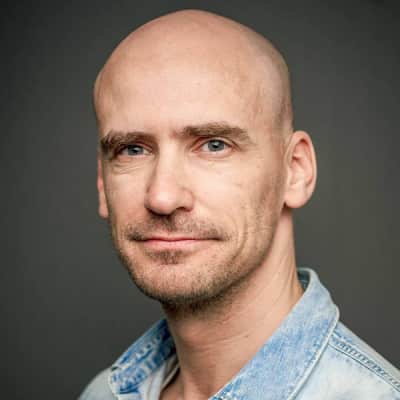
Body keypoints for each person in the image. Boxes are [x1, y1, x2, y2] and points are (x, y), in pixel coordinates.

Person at [79, 9, 400, 400]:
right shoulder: (102, 394)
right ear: (102, 184)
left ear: (295, 171)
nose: (162, 197)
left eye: (214, 145)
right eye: (132, 149)